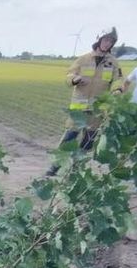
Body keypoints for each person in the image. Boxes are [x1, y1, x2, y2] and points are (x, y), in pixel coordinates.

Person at [47, 27, 123, 176]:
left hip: (97, 110)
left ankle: (76, 169)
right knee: (68, 139)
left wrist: (117, 89)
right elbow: (69, 75)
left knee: (87, 142)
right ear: (99, 40)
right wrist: (74, 79)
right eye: (106, 40)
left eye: (111, 41)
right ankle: (54, 167)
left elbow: (118, 79)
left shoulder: (113, 63)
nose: (108, 44)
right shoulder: (83, 59)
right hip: (78, 109)